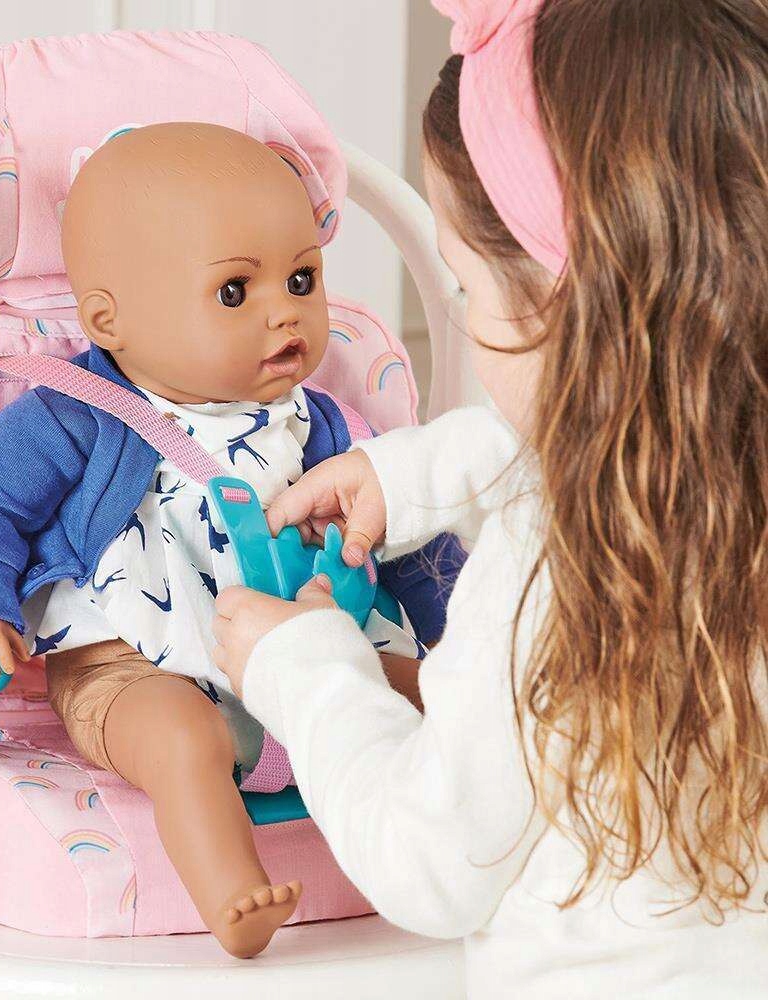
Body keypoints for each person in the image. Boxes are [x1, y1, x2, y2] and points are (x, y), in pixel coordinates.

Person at [211, 1, 768, 994]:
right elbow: (590, 433)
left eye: (467, 289)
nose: (464, 314)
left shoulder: (558, 576)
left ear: (570, 312)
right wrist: (411, 475)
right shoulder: (718, 472)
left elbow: (428, 860)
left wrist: (304, 670)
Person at [0, 122, 437, 958]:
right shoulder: (73, 415)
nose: (285, 311)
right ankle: (231, 887)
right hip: (130, 663)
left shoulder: (327, 424)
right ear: (109, 320)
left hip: (306, 650)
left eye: (301, 278)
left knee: (436, 693)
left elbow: (406, 531)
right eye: (235, 291)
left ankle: (500, 841)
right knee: (180, 740)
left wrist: (464, 638)